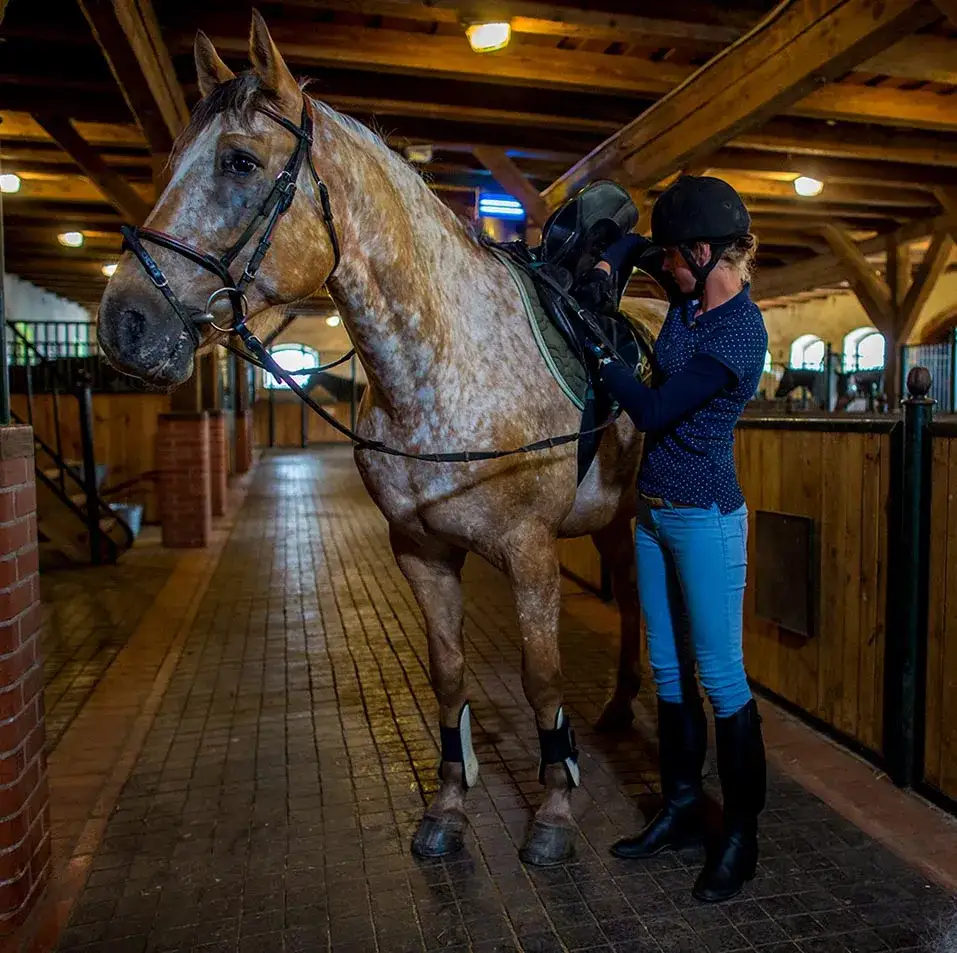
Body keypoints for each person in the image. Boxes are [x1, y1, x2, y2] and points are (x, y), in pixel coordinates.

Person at [575, 175, 768, 904]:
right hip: (652, 513)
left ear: (704, 251)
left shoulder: (739, 332)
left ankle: (740, 837)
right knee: (666, 670)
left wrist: (602, 358)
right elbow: (630, 247)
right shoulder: (690, 299)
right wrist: (605, 260)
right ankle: (683, 807)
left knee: (720, 676)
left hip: (704, 519)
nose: (666, 270)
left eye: (674, 259)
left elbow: (653, 407)